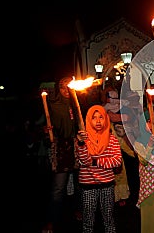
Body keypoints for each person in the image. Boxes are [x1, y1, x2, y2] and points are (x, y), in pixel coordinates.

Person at [42, 76, 81, 233]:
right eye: (63, 87)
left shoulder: (76, 102)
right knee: (59, 188)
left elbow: (80, 122)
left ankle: (79, 210)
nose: (66, 91)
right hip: (61, 148)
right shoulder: (54, 104)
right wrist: (47, 131)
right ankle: (52, 220)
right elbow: (49, 125)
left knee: (79, 185)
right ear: (59, 89)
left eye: (69, 87)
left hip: (76, 145)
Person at [76, 105, 122, 233]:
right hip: (88, 185)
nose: (97, 121)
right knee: (88, 220)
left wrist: (96, 161)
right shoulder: (82, 139)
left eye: (101, 117)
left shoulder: (111, 139)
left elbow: (117, 161)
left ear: (106, 119)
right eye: (94, 118)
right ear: (88, 120)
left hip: (107, 184)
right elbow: (84, 161)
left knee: (109, 218)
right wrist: (80, 143)